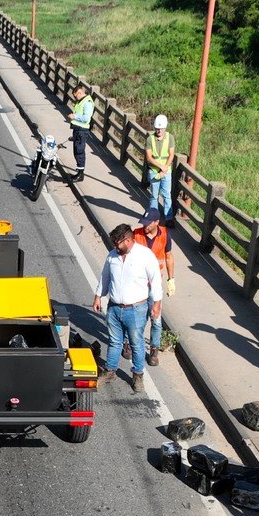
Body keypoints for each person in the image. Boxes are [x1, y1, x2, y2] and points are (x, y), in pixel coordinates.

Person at [94, 223, 162, 391]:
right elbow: (105, 278)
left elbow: (156, 281)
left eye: (117, 243)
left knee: (136, 344)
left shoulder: (145, 256)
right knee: (115, 341)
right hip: (114, 307)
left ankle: (138, 375)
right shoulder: (112, 257)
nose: (115, 246)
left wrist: (157, 304)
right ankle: (110, 370)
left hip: (137, 309)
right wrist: (98, 296)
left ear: (128, 240)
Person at [128, 207, 175, 369]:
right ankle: (128, 342)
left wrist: (171, 278)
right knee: (134, 316)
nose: (145, 226)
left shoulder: (165, 235)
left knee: (156, 318)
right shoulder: (136, 234)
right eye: (144, 223)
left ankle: (154, 349)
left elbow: (168, 256)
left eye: (148, 223)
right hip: (137, 284)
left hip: (154, 285)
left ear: (156, 222)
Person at [145, 114, 175, 221]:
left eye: (161, 128)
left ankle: (169, 218)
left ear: (165, 128)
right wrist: (161, 167)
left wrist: (165, 167)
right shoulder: (150, 139)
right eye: (157, 128)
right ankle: (153, 218)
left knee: (167, 195)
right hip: (154, 171)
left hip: (166, 171)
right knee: (154, 195)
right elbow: (149, 158)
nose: (159, 131)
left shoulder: (170, 138)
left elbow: (171, 154)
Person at [67, 85, 93, 183]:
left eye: (75, 96)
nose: (75, 98)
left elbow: (86, 118)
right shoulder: (81, 101)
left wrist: (75, 116)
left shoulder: (88, 102)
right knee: (76, 151)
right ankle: (79, 172)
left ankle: (80, 174)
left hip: (82, 130)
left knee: (79, 151)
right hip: (77, 130)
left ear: (80, 93)